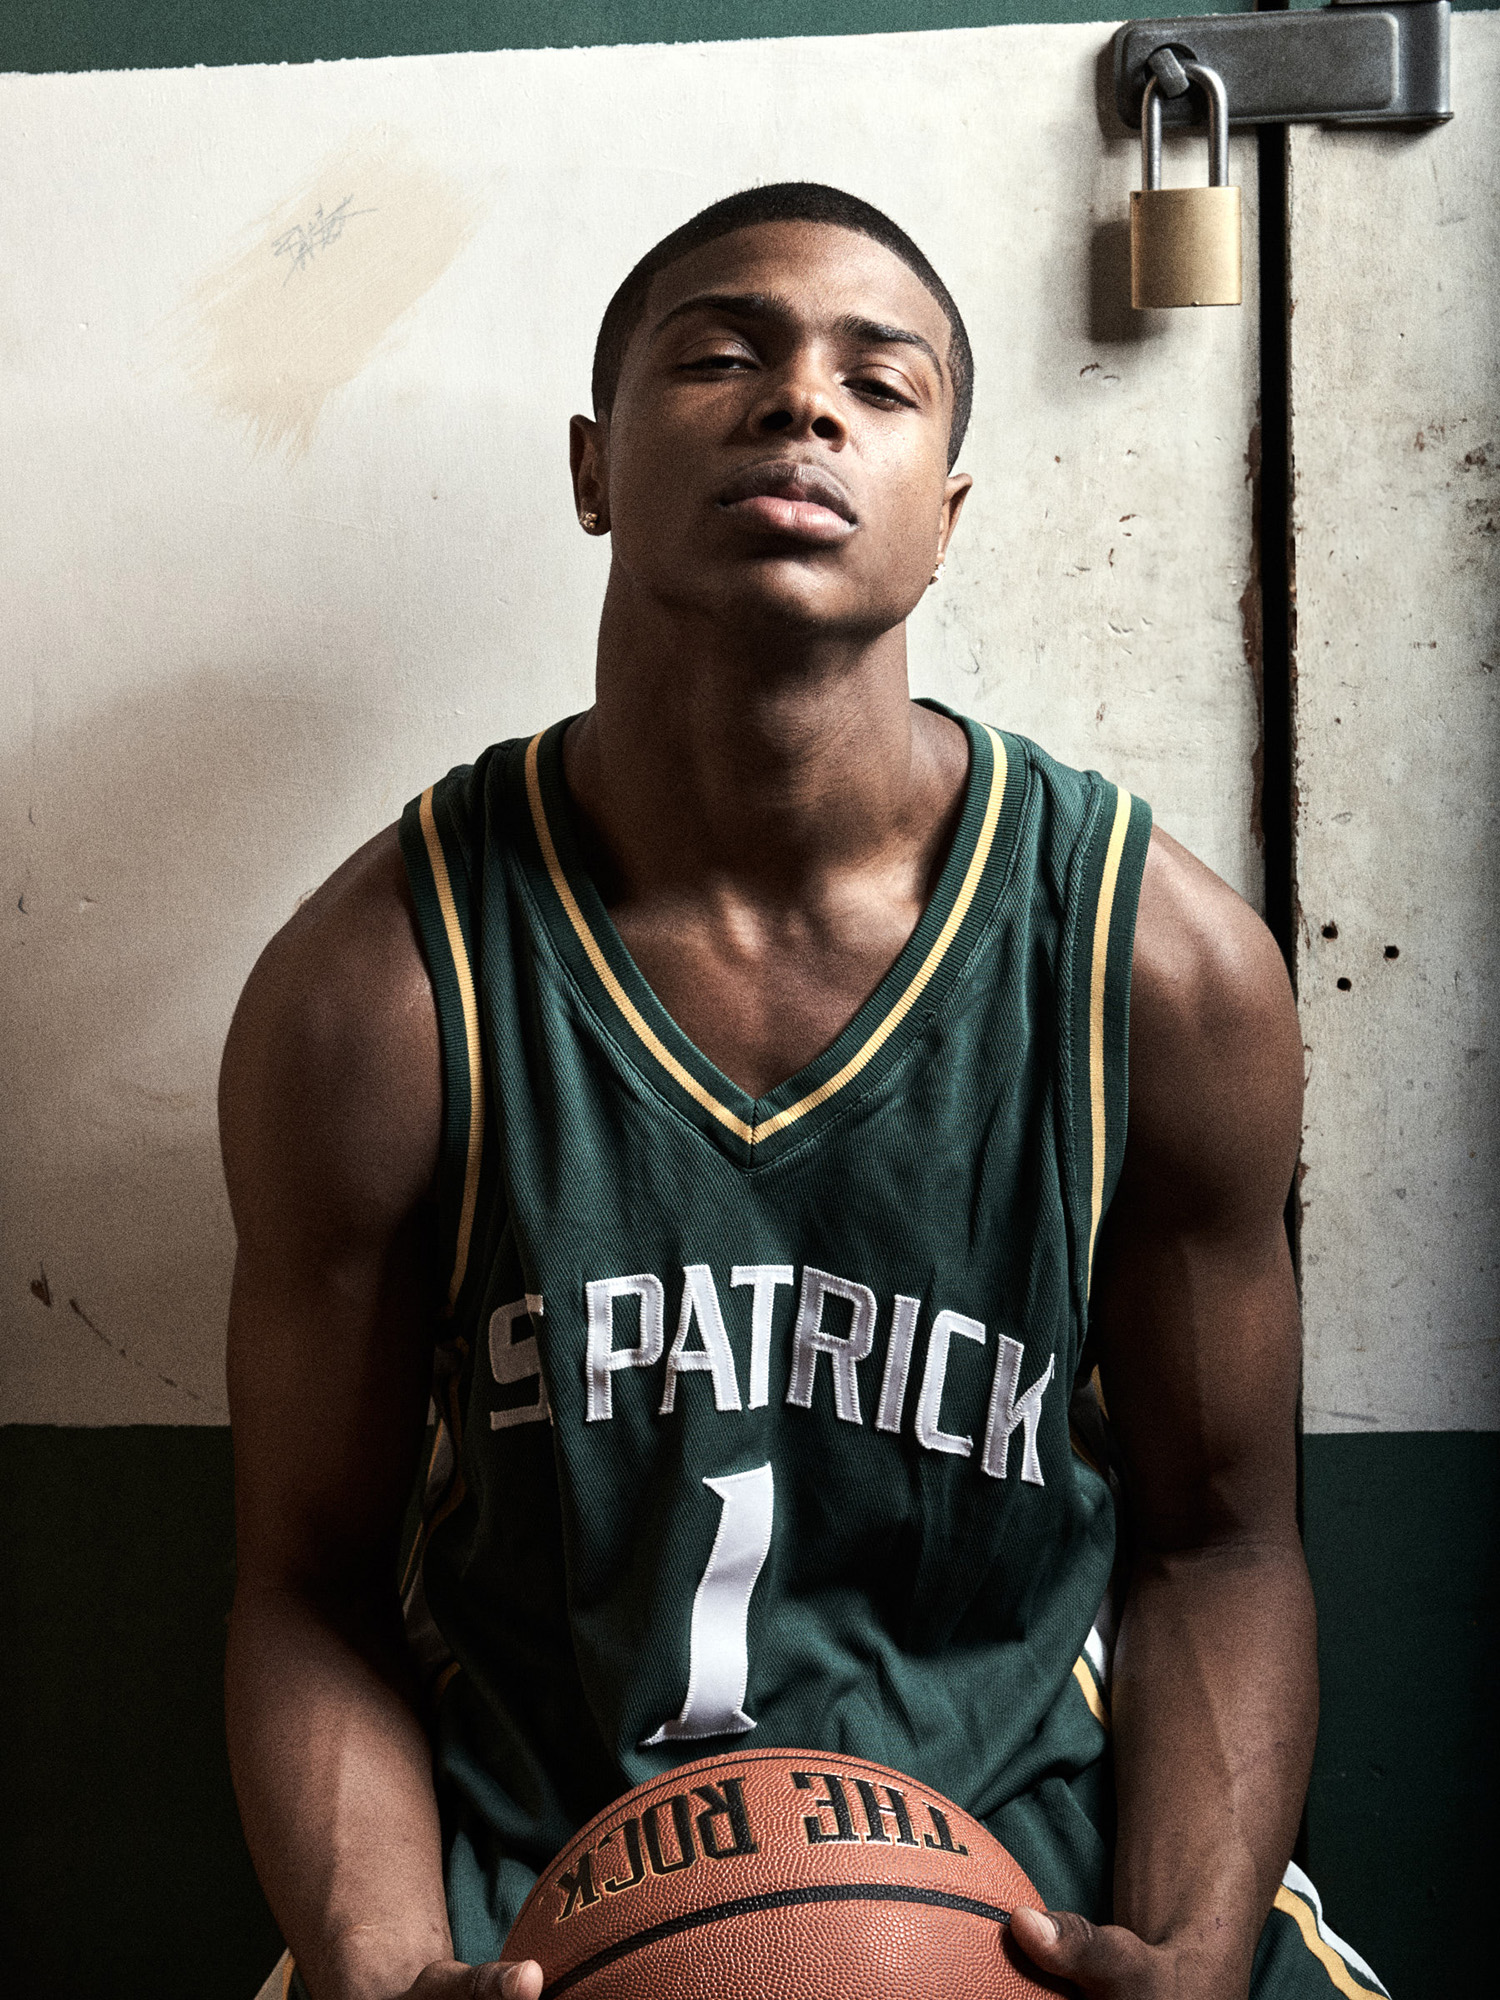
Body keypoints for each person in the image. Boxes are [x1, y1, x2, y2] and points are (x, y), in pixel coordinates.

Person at [222, 183, 1385, 2000]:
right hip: (525, 1888)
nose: (801, 404)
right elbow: (307, 1582)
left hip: (1036, 1865)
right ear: (594, 469)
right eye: (722, 357)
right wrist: (378, 1960)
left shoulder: (1157, 968)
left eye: (880, 382)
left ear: (947, 518)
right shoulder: (380, 988)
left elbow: (1222, 1543)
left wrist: (1191, 1947)